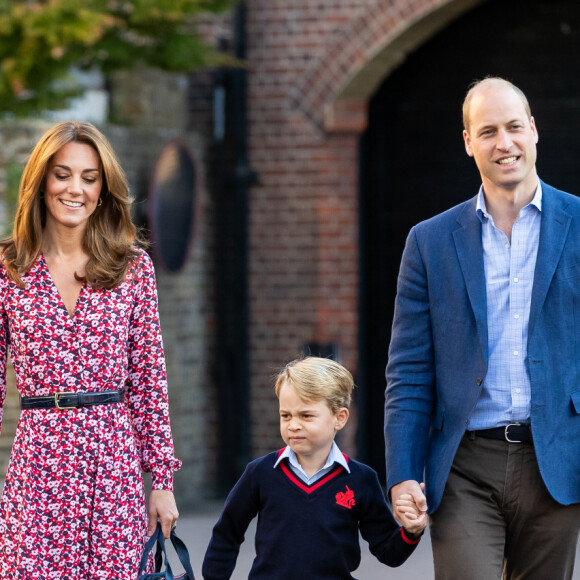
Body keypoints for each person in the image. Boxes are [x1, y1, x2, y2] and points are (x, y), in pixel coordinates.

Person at [385, 76, 580, 579]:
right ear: (469, 142)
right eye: (488, 131)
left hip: (556, 460)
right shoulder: (429, 242)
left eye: (514, 126)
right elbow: (408, 372)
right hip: (465, 464)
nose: (504, 142)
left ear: (534, 130)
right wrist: (403, 475)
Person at [0, 121, 181, 579]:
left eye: (89, 177)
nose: (74, 188)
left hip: (112, 460)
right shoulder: (9, 268)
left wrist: (161, 482)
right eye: (62, 174)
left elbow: (148, 381)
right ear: (41, 181)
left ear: (103, 189)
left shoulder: (132, 267)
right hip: (38, 460)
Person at [202, 356, 426, 580]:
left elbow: (388, 551)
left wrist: (411, 531)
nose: (294, 424)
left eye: (306, 415)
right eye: (286, 415)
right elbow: (227, 533)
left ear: (339, 418)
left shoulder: (362, 479)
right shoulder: (260, 473)